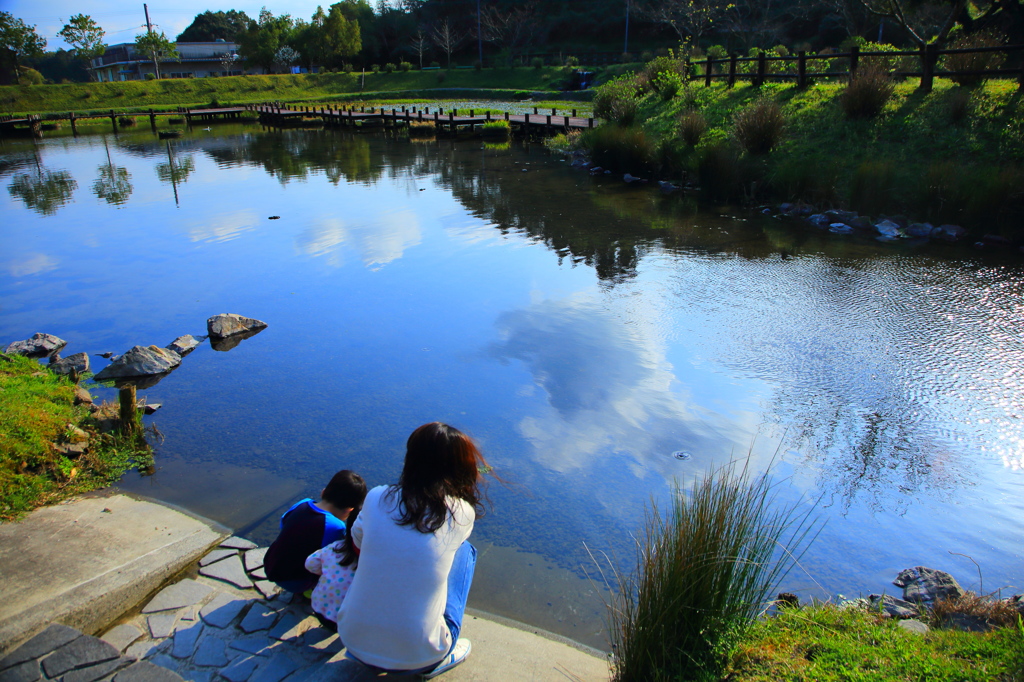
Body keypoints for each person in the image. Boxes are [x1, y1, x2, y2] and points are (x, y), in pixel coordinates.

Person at [337, 423, 488, 678]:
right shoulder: (462, 512)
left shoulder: (376, 497)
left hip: (352, 639)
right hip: (419, 656)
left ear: (412, 459)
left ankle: (379, 641)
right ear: (460, 468)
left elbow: (357, 544)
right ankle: (438, 660)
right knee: (464, 552)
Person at [264, 470, 367, 595]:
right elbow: (330, 558)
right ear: (349, 510)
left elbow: (283, 524)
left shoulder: (302, 503)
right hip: (295, 582)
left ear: (323, 492)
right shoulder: (335, 526)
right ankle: (309, 593)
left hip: (270, 564)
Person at [305, 507, 361, 628]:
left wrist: (328, 571)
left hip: (318, 607)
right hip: (345, 622)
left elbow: (310, 563)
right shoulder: (374, 564)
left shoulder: (335, 547)